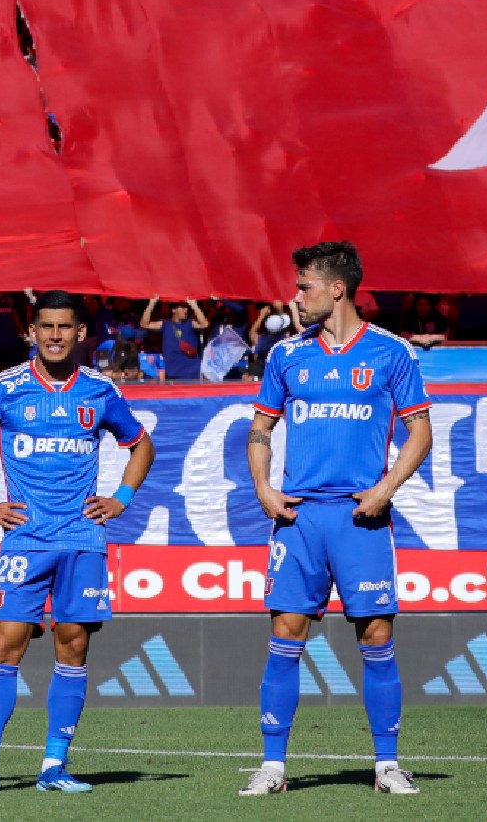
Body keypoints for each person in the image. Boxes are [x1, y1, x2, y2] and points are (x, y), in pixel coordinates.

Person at [0, 290, 154, 796]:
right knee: (5, 643)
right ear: (31, 332)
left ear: (80, 334)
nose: (55, 336)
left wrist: (121, 496)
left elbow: (141, 444)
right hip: (25, 542)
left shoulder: (100, 392)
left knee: (73, 646)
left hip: (83, 541)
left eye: (65, 327)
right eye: (46, 327)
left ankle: (55, 764)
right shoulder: (3, 389)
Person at [238, 241, 433, 797]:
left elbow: (420, 433)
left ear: (337, 289)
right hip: (299, 520)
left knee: (375, 633)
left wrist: (385, 489)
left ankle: (387, 766)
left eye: (305, 286)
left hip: (360, 520)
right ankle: (272, 768)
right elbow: (260, 429)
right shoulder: (285, 355)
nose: (296, 296)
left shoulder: (391, 353)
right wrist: (263, 489)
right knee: (285, 632)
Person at [141, 296, 207, 381]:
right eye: (182, 307)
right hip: (172, 372)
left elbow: (204, 324)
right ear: (173, 310)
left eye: (186, 307)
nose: (186, 310)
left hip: (191, 371)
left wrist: (194, 305)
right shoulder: (165, 324)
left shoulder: (190, 323)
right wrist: (152, 303)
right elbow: (144, 324)